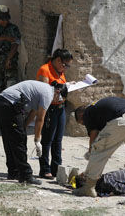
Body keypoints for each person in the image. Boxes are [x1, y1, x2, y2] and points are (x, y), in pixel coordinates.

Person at [74, 97, 125, 197]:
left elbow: (94, 133)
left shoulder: (88, 112)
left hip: (121, 122)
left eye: (82, 123)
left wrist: (92, 151)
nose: (84, 124)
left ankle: (89, 188)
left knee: (99, 152)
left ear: (81, 115)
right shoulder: (101, 106)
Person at [0, 80, 67, 185]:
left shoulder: (43, 90)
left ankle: (13, 171)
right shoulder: (48, 94)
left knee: (10, 138)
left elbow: (33, 113)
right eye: (59, 100)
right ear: (57, 92)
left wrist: (23, 128)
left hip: (2, 102)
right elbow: (40, 119)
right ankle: (25, 175)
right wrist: (37, 141)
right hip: (9, 105)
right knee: (19, 140)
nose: (56, 103)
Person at [36, 49, 73, 179]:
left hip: (60, 108)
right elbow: (44, 94)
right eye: (65, 65)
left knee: (58, 140)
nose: (66, 68)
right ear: (58, 60)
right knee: (47, 139)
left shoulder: (60, 71)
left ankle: (56, 168)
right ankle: (44, 169)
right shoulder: (45, 70)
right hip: (49, 109)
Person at [0, 5, 21, 96]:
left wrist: (9, 59)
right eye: (2, 19)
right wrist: (5, 37)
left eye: (6, 19)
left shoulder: (13, 28)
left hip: (9, 61)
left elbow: (15, 44)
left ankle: (9, 107)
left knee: (11, 87)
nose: (4, 22)